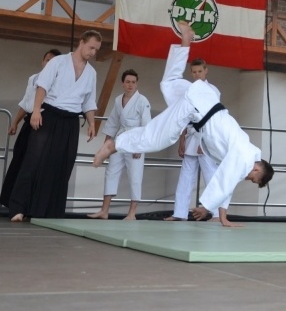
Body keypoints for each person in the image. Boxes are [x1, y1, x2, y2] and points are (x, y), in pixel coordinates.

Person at [92, 21, 274, 227]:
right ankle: (114, 145)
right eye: (253, 179)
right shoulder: (244, 159)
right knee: (158, 138)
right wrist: (207, 207)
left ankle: (185, 41)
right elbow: (226, 181)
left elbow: (227, 183)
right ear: (257, 170)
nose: (249, 178)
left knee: (168, 84)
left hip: (202, 98)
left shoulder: (245, 149)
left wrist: (221, 215)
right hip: (197, 108)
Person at [8, 30, 102, 221]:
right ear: (81, 42)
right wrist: (36, 110)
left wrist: (92, 123)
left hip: (71, 121)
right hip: (49, 115)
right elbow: (42, 86)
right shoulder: (58, 62)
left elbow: (88, 101)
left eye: (96, 50)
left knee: (62, 165)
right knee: (34, 160)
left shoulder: (91, 73)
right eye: (91, 47)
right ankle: (19, 208)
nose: (93, 52)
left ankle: (49, 211)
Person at [0, 48, 62, 208]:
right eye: (47, 60)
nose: (49, 63)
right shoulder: (33, 78)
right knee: (19, 156)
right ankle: (11, 200)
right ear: (42, 61)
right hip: (29, 121)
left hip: (44, 122)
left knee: (35, 162)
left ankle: (31, 203)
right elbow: (26, 102)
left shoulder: (59, 82)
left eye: (53, 62)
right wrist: (15, 122)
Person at [88, 69, 152, 221]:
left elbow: (147, 126)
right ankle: (104, 210)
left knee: (135, 176)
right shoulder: (118, 100)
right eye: (128, 82)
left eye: (133, 82)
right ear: (123, 83)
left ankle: (132, 213)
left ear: (137, 84)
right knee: (111, 172)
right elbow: (113, 122)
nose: (130, 85)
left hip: (136, 141)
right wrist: (107, 144)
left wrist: (140, 147)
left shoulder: (142, 101)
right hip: (120, 140)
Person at [164, 58, 221, 222]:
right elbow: (183, 116)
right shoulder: (188, 91)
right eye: (194, 72)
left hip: (206, 136)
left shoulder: (213, 90)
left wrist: (204, 141)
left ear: (206, 70)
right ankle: (180, 213)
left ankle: (217, 213)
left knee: (211, 175)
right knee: (185, 177)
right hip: (190, 136)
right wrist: (182, 139)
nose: (197, 75)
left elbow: (213, 117)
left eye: (200, 71)